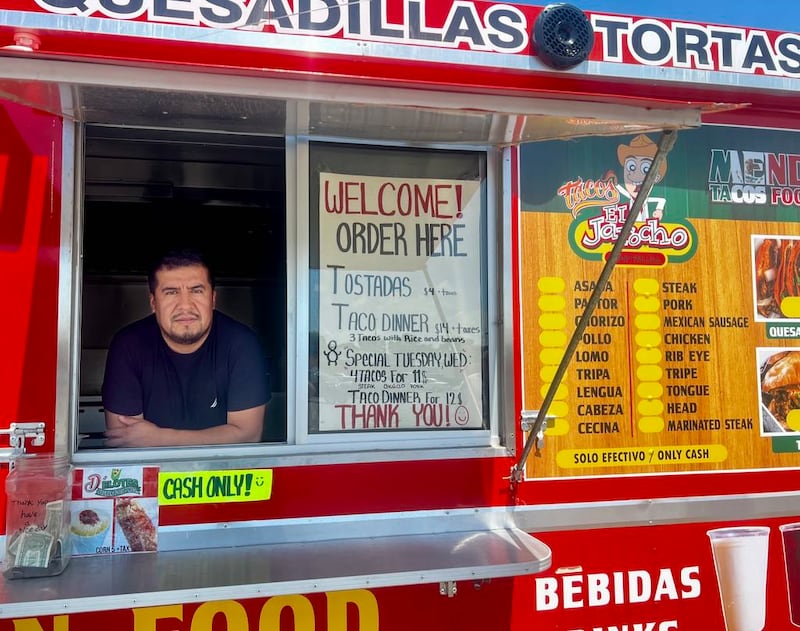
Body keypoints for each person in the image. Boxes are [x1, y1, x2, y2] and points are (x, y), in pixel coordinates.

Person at [102, 249, 270, 448]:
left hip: (223, 473)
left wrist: (161, 438)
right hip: (152, 475)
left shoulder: (241, 343)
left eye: (196, 290)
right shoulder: (129, 345)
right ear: (154, 303)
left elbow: (249, 435)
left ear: (213, 299)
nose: (185, 305)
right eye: (171, 292)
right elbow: (126, 440)